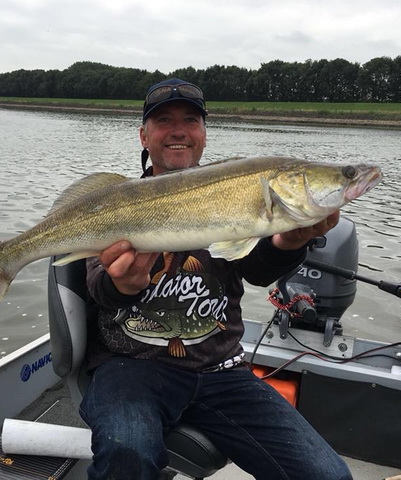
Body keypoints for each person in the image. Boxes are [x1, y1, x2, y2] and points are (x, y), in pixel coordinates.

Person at [78, 78, 351, 480]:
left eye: (191, 120)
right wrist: (121, 286)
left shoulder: (238, 193)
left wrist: (290, 242)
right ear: (144, 135)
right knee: (127, 456)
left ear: (204, 135)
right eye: (163, 120)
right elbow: (97, 285)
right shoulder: (119, 198)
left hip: (222, 368)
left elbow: (256, 271)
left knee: (328, 476)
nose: (178, 130)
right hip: (130, 366)